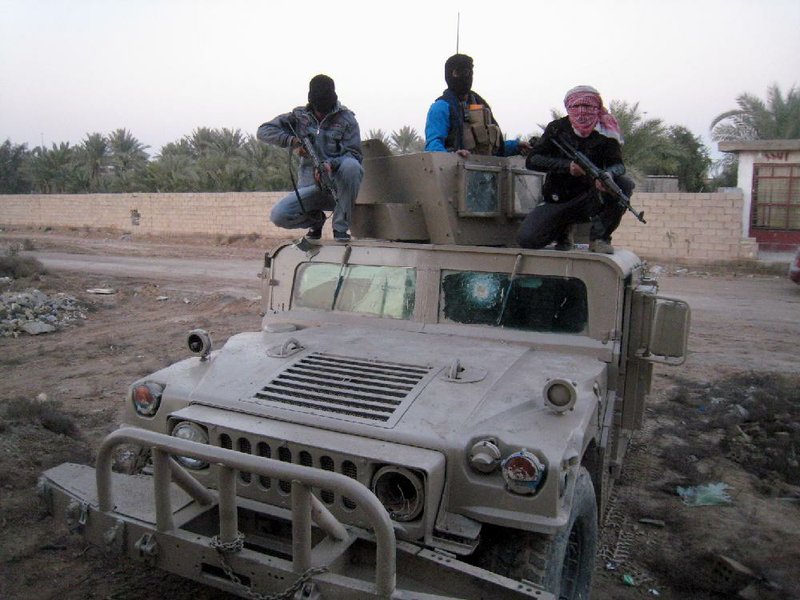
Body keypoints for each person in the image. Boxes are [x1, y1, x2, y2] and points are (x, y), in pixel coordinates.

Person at [517, 85, 634, 254]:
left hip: (590, 199)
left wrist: (607, 175)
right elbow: (533, 160)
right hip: (558, 198)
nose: (581, 111)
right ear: (568, 107)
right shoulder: (557, 129)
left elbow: (618, 165)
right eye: (575, 106)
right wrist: (567, 167)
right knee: (527, 239)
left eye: (587, 106)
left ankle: (600, 239)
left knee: (623, 185)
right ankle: (563, 230)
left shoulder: (606, 133)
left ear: (597, 107)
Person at [257, 74, 363, 241]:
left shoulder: (347, 119)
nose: (322, 112)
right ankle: (316, 221)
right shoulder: (298, 117)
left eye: (326, 107)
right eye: (318, 107)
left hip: (337, 189)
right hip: (310, 188)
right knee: (279, 215)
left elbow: (355, 155)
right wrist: (293, 141)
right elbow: (263, 131)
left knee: (352, 166)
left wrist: (331, 165)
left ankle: (340, 229)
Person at [424, 54, 530, 158]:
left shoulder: (480, 105)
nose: (467, 76)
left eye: (470, 72)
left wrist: (516, 146)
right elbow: (433, 146)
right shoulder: (441, 108)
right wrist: (452, 157)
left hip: (486, 172)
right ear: (450, 74)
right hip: (456, 171)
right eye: (460, 72)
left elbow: (492, 149)